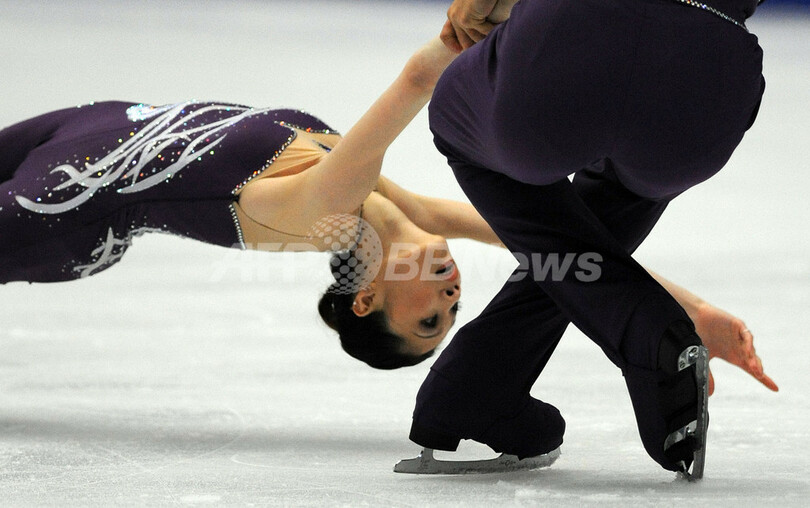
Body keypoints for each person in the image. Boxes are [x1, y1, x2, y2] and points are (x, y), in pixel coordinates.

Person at [0, 34, 773, 390]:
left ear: (367, 297)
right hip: (94, 125)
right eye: (453, 313)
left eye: (429, 318)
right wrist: (692, 308)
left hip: (59, 214)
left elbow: (415, 81)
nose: (452, 297)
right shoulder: (395, 206)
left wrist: (469, 40)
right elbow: (575, 249)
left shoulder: (318, 217)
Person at [405, 0, 773, 478]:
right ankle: (477, 387)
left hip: (576, 43)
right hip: (710, 83)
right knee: (610, 204)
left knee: (454, 115)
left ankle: (643, 329)